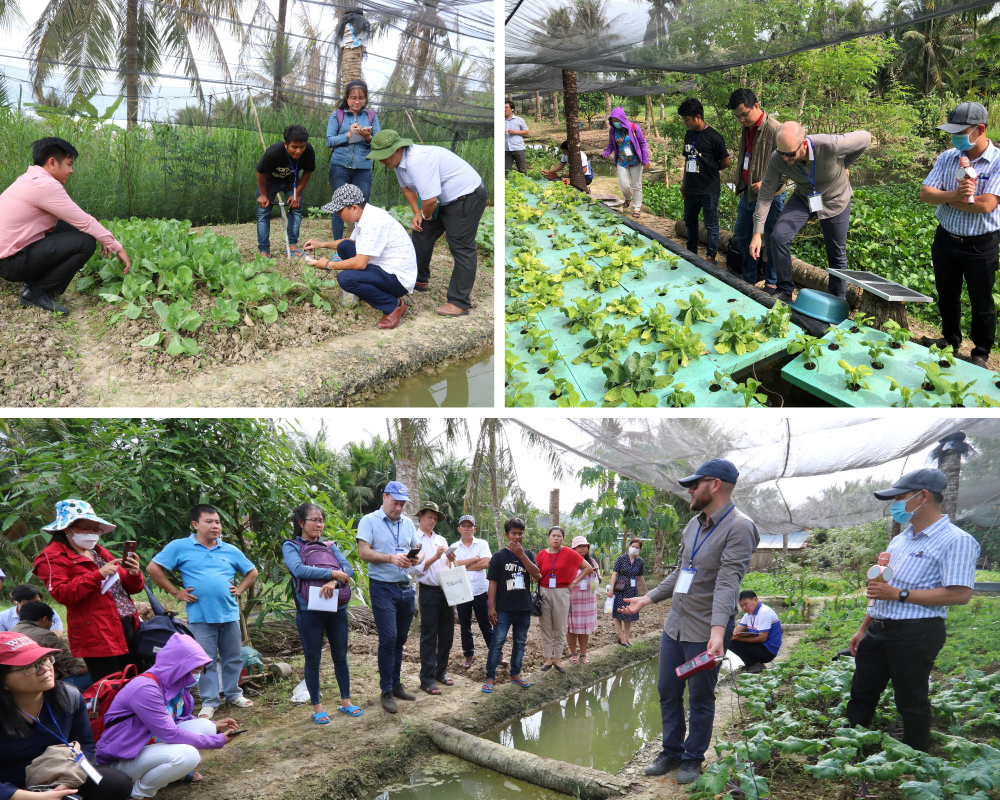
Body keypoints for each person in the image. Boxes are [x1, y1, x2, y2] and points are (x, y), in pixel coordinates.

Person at [623, 459, 758, 784]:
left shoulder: (740, 527)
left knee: (699, 696)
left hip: (705, 632)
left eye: (694, 484)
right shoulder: (693, 525)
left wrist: (717, 633)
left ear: (714, 485)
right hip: (676, 625)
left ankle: (693, 758)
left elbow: (728, 582)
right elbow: (682, 573)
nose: (689, 490)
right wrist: (648, 598)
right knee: (668, 690)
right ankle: (671, 751)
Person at [846, 469, 979, 752]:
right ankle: (850, 746)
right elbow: (883, 588)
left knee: (910, 699)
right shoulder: (900, 540)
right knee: (861, 693)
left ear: (924, 497)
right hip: (878, 629)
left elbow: (961, 593)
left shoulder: (956, 540)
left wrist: (900, 594)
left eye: (900, 497)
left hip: (916, 633)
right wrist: (863, 627)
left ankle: (915, 758)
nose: (894, 504)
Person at [146, 505, 258, 719]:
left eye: (217, 522)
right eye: (209, 521)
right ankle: (210, 700)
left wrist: (241, 588)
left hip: (230, 613)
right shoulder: (179, 547)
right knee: (204, 660)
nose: (215, 526)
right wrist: (175, 591)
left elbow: (252, 571)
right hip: (201, 616)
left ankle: (234, 693)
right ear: (195, 524)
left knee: (233, 657)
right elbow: (153, 568)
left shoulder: (229, 550)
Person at [96, 634, 240, 798]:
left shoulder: (175, 684)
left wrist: (214, 725)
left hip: (146, 744)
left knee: (206, 726)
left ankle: (170, 772)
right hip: (122, 758)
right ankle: (137, 793)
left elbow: (175, 718)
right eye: (195, 669)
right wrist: (217, 741)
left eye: (200, 670)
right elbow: (170, 733)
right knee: (188, 755)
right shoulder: (146, 689)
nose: (197, 675)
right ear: (179, 666)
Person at [0, 137, 132, 314]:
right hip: (10, 263)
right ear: (52, 162)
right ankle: (35, 293)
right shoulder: (45, 185)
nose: (71, 170)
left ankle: (34, 281)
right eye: (69, 164)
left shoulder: (31, 178)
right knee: (85, 243)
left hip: (9, 255)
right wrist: (116, 246)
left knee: (69, 229)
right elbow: (85, 221)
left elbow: (78, 223)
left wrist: (102, 236)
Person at [0, 631, 134, 800]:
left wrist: (66, 782)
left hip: (60, 774)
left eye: (45, 659)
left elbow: (84, 744)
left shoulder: (69, 697)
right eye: (29, 666)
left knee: (116, 783)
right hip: (11, 789)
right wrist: (31, 797)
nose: (44, 669)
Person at [369, 129, 487, 317]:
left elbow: (430, 201)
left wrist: (426, 214)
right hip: (442, 200)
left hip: (466, 197)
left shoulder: (417, 161)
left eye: (383, 156)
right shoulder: (398, 164)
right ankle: (418, 278)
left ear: (397, 149)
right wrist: (418, 213)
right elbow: (407, 189)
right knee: (421, 231)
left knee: (461, 246)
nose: (380, 160)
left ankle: (460, 302)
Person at [918, 102, 1000, 369]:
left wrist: (945, 198)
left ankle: (981, 351)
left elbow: (986, 205)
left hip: (981, 245)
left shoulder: (998, 162)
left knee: (982, 301)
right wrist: (956, 195)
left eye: (959, 131)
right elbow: (925, 194)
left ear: (980, 129)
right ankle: (950, 339)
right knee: (947, 294)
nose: (954, 137)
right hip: (945, 239)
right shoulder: (947, 157)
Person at [751, 122, 871, 303]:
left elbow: (866, 138)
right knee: (778, 236)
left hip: (835, 199)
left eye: (790, 154)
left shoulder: (830, 145)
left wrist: (845, 162)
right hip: (805, 198)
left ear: (804, 144)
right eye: (781, 152)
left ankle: (838, 301)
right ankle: (784, 290)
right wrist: (757, 233)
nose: (785, 158)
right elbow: (766, 194)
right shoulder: (778, 158)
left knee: (837, 254)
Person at [33, 500, 144, 684]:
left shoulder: (98, 551)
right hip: (96, 630)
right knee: (108, 684)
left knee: (134, 678)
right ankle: (110, 714)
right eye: (86, 528)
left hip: (125, 624)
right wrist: (97, 575)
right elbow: (62, 593)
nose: (92, 533)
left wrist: (134, 573)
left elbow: (130, 588)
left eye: (96, 529)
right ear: (67, 528)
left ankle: (136, 712)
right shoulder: (50, 557)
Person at [281, 503, 360, 724]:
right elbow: (298, 569)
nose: (319, 524)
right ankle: (317, 706)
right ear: (301, 523)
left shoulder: (330, 545)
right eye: (314, 520)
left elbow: (348, 568)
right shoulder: (291, 546)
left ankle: (346, 701)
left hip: (337, 608)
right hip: (309, 611)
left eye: (321, 520)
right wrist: (331, 572)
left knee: (341, 657)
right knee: (313, 659)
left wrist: (334, 581)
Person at [301, 184, 416, 330]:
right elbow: (350, 242)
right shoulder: (365, 216)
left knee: (345, 279)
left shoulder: (372, 221)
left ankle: (393, 306)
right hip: (384, 266)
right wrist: (321, 244)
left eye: (339, 211)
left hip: (397, 278)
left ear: (354, 207)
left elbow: (361, 263)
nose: (337, 215)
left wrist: (328, 264)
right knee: (344, 247)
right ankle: (368, 289)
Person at [355, 481, 424, 714]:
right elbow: (363, 552)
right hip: (382, 587)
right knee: (388, 638)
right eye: (395, 502)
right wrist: (390, 558)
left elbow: (420, 549)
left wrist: (416, 558)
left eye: (403, 503)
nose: (399, 507)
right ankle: (385, 689)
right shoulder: (369, 521)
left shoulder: (407, 524)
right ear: (384, 497)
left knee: (400, 639)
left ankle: (395, 684)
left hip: (406, 588)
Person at [728, 89, 786, 293]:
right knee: (742, 234)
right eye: (738, 116)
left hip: (772, 195)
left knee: (771, 238)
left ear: (756, 106)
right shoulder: (747, 127)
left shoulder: (776, 130)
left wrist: (767, 183)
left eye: (744, 114)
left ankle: (771, 281)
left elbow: (790, 166)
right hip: (748, 193)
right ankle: (749, 275)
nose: (741, 119)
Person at [483, 518, 542, 693]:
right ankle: (490, 677)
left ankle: (515, 674)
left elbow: (536, 575)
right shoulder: (498, 557)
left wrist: (522, 555)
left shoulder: (528, 554)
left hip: (524, 608)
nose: (517, 537)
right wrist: (491, 607)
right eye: (513, 533)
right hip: (503, 609)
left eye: (520, 533)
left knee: (520, 642)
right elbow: (492, 583)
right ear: (507, 535)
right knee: (497, 643)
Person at [409, 502, 455, 695]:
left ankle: (440, 671)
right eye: (430, 517)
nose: (433, 521)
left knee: (447, 633)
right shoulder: (415, 541)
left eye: (435, 518)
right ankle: (426, 679)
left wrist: (451, 559)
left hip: (447, 589)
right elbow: (415, 569)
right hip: (428, 590)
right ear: (420, 516)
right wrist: (436, 557)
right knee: (429, 635)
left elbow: (450, 565)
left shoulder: (441, 539)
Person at [326, 80, 380, 239]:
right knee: (339, 205)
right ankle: (338, 247)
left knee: (362, 207)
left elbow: (378, 143)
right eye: (353, 98)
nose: (357, 101)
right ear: (346, 98)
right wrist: (348, 135)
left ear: (366, 98)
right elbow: (329, 141)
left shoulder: (371, 116)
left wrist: (368, 137)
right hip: (339, 166)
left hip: (363, 168)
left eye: (361, 98)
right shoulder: (337, 115)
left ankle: (361, 244)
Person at [678, 98, 730, 264]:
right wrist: (684, 183)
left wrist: (710, 169)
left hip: (709, 189)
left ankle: (710, 257)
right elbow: (687, 160)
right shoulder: (688, 134)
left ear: (698, 117)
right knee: (689, 220)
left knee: (711, 225)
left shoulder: (714, 137)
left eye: (687, 119)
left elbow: (726, 162)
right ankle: (691, 253)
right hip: (691, 188)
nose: (685, 123)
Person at [536, 526, 592, 673]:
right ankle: (547, 659)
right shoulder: (541, 555)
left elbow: (588, 568)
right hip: (544, 592)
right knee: (545, 627)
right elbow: (536, 574)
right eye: (553, 535)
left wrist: (573, 583)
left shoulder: (568, 552)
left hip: (561, 592)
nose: (556, 538)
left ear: (563, 539)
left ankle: (558, 660)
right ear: (548, 538)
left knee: (560, 627)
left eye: (559, 536)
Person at [255, 124, 315, 258]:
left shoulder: (309, 151)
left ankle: (292, 245)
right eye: (294, 147)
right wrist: (263, 195)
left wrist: (297, 194)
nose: (298, 151)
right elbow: (260, 172)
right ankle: (264, 250)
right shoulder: (273, 152)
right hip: (270, 182)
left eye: (302, 146)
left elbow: (308, 172)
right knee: (263, 212)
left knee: (296, 209)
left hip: (291, 182)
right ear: (286, 144)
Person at [446, 515, 496, 670]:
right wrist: (474, 559)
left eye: (470, 526)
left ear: (474, 529)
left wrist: (463, 566)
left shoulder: (482, 543)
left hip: (480, 590)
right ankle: (469, 654)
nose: (467, 529)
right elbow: (451, 564)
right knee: (464, 624)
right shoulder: (454, 546)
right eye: (464, 526)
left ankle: (496, 653)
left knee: (485, 623)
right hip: (462, 590)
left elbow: (485, 563)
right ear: (459, 529)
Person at [10, 602, 90, 690]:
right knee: (101, 675)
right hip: (42, 684)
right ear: (45, 619)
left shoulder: (10, 633)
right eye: (52, 621)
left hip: (15, 684)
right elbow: (76, 668)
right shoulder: (45, 635)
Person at [602, 107, 650, 219]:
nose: (615, 123)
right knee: (624, 185)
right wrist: (606, 153)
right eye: (613, 121)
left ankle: (637, 207)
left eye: (617, 120)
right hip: (621, 161)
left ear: (622, 118)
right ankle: (628, 197)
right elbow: (611, 145)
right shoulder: (613, 130)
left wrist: (645, 160)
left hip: (636, 161)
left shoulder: (633, 128)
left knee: (636, 185)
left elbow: (643, 143)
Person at [565, 536, 600, 665]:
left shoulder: (593, 562)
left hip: (589, 601)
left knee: (585, 628)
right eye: (579, 546)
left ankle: (583, 654)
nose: (582, 548)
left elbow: (599, 581)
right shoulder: (568, 563)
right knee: (571, 628)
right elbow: (564, 581)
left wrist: (595, 574)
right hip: (573, 601)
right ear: (573, 548)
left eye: (584, 546)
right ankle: (573, 654)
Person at [728, 590, 782, 674]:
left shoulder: (764, 612)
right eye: (741, 606)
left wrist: (739, 638)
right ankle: (753, 663)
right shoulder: (748, 615)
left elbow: (762, 638)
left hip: (768, 651)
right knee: (728, 638)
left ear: (755, 599)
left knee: (730, 642)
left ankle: (754, 664)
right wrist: (732, 635)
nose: (744, 608)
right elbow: (736, 630)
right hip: (760, 647)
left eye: (746, 604)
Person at [607, 538, 644, 646]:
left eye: (637, 548)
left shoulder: (640, 561)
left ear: (639, 550)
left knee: (629, 613)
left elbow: (640, 576)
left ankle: (627, 638)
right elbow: (614, 573)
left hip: (632, 590)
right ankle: (621, 637)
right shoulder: (621, 559)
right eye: (633, 546)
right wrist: (611, 589)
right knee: (618, 613)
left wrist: (631, 582)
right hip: (620, 589)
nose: (634, 549)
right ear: (629, 546)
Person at [0, 585, 64, 635]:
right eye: (28, 603)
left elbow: (57, 635)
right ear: (16, 602)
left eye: (38, 602)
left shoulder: (49, 613)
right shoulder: (3, 617)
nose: (33, 605)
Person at [504, 101, 529, 175]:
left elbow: (526, 131)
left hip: (518, 148)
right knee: (506, 171)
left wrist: (515, 132)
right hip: (505, 149)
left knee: (522, 170)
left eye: (506, 107)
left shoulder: (519, 120)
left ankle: (524, 185)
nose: (504, 109)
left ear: (512, 109)